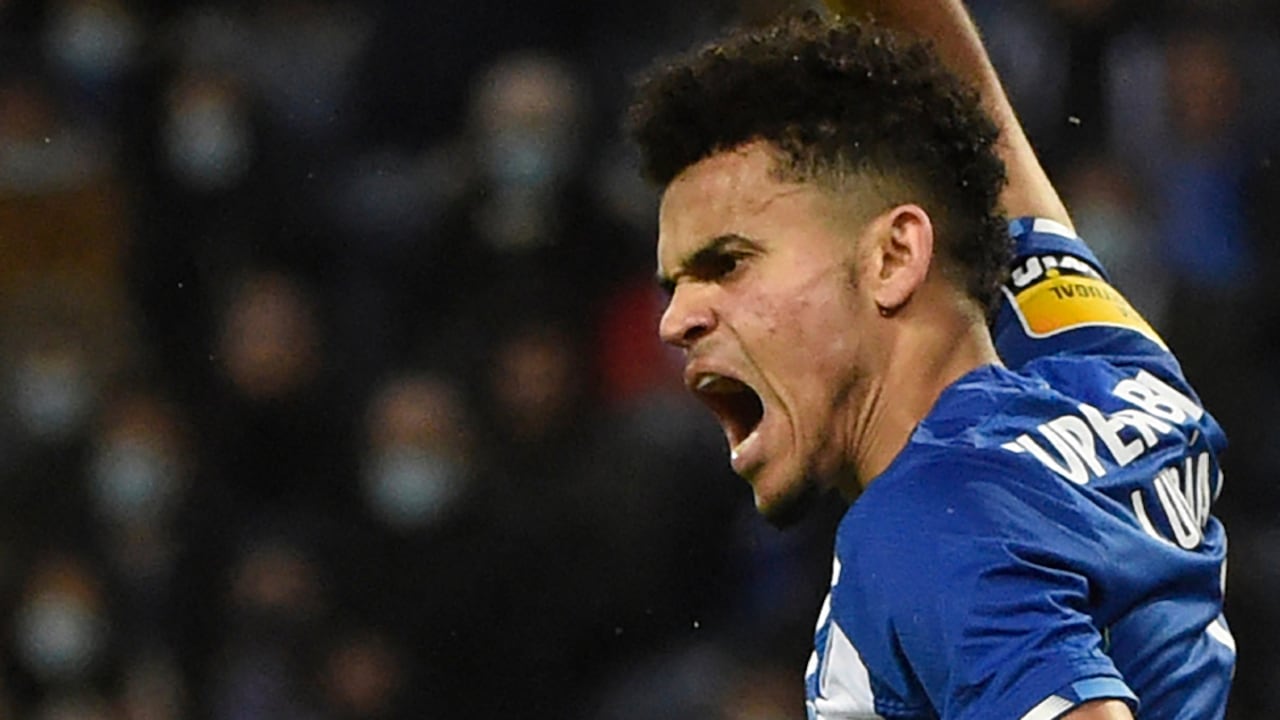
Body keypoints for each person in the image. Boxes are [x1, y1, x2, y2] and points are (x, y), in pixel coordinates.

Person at [628, 2, 1233, 718]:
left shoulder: (928, 525)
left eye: (728, 263)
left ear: (893, 258)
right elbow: (972, 118)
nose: (675, 321)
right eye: (674, 285)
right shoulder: (1110, 371)